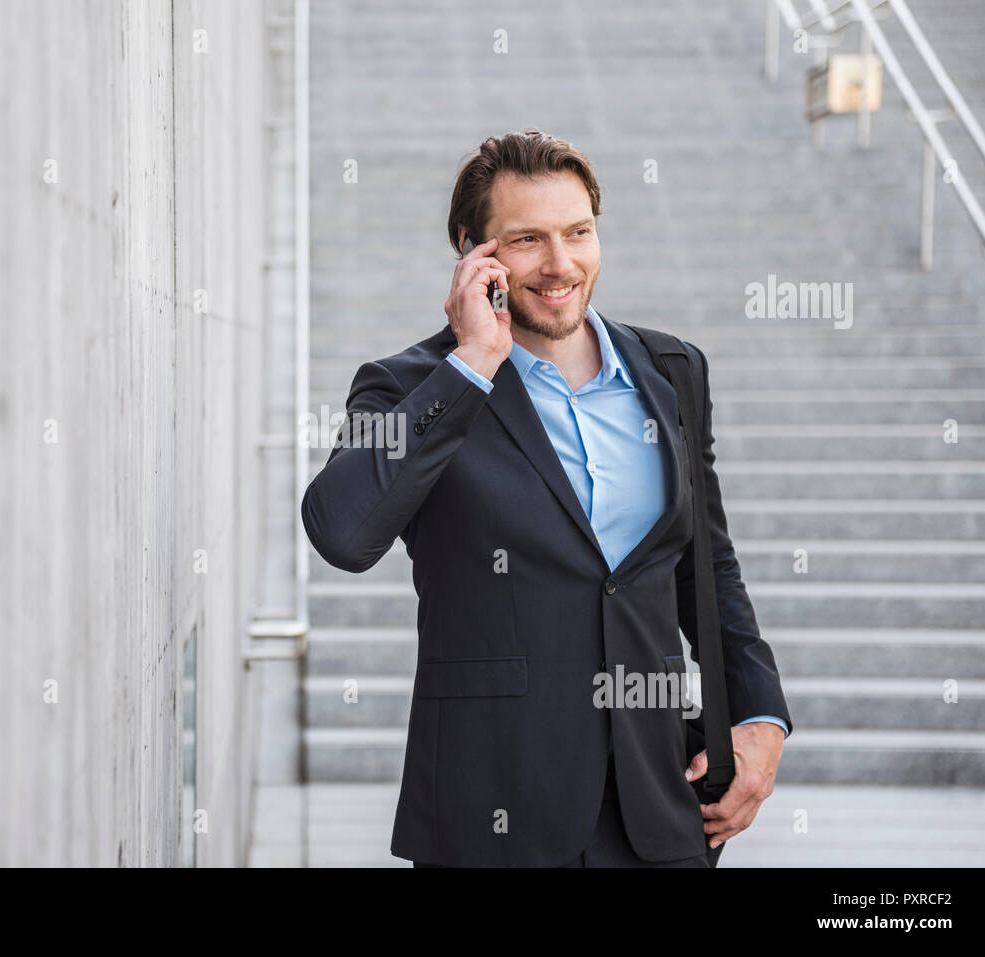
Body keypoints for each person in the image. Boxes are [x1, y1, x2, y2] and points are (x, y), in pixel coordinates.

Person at [301, 128, 791, 867]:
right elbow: (342, 531)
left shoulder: (672, 370)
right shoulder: (410, 387)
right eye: (527, 239)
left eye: (579, 233)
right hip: (491, 813)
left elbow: (706, 563)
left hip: (659, 810)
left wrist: (760, 714)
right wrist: (470, 365)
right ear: (473, 251)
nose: (561, 264)